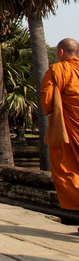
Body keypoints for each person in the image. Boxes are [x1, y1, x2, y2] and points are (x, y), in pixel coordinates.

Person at [41, 38, 79, 225]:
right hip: (74, 128)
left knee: (68, 171)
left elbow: (47, 103)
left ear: (61, 52)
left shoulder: (58, 70)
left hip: (68, 132)